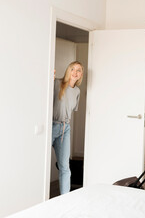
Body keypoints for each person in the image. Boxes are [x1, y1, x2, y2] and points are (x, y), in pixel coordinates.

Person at [52, 61, 83, 195]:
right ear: (68, 70)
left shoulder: (77, 91)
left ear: (81, 74)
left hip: (65, 128)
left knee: (65, 167)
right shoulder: (57, 84)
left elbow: (71, 110)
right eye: (73, 69)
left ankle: (65, 198)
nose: (75, 72)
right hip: (52, 126)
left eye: (79, 70)